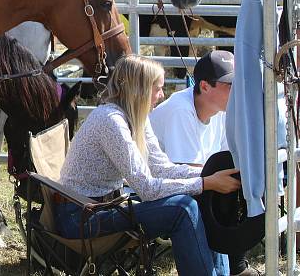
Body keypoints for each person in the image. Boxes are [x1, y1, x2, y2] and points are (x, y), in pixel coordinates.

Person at [56, 55, 240, 275]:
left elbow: (163, 168)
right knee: (184, 207)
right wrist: (205, 182)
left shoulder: (136, 118)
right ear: (139, 89)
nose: (161, 96)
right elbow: (148, 189)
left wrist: (209, 175)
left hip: (105, 207)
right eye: (158, 88)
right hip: (81, 217)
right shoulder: (110, 120)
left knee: (198, 198)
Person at [150, 50, 260, 276]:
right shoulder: (181, 110)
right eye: (229, 84)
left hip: (195, 180)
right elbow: (182, 170)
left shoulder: (221, 109)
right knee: (223, 186)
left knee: (231, 181)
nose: (236, 90)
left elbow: (222, 161)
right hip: (161, 185)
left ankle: (234, 266)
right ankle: (235, 268)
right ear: (205, 86)